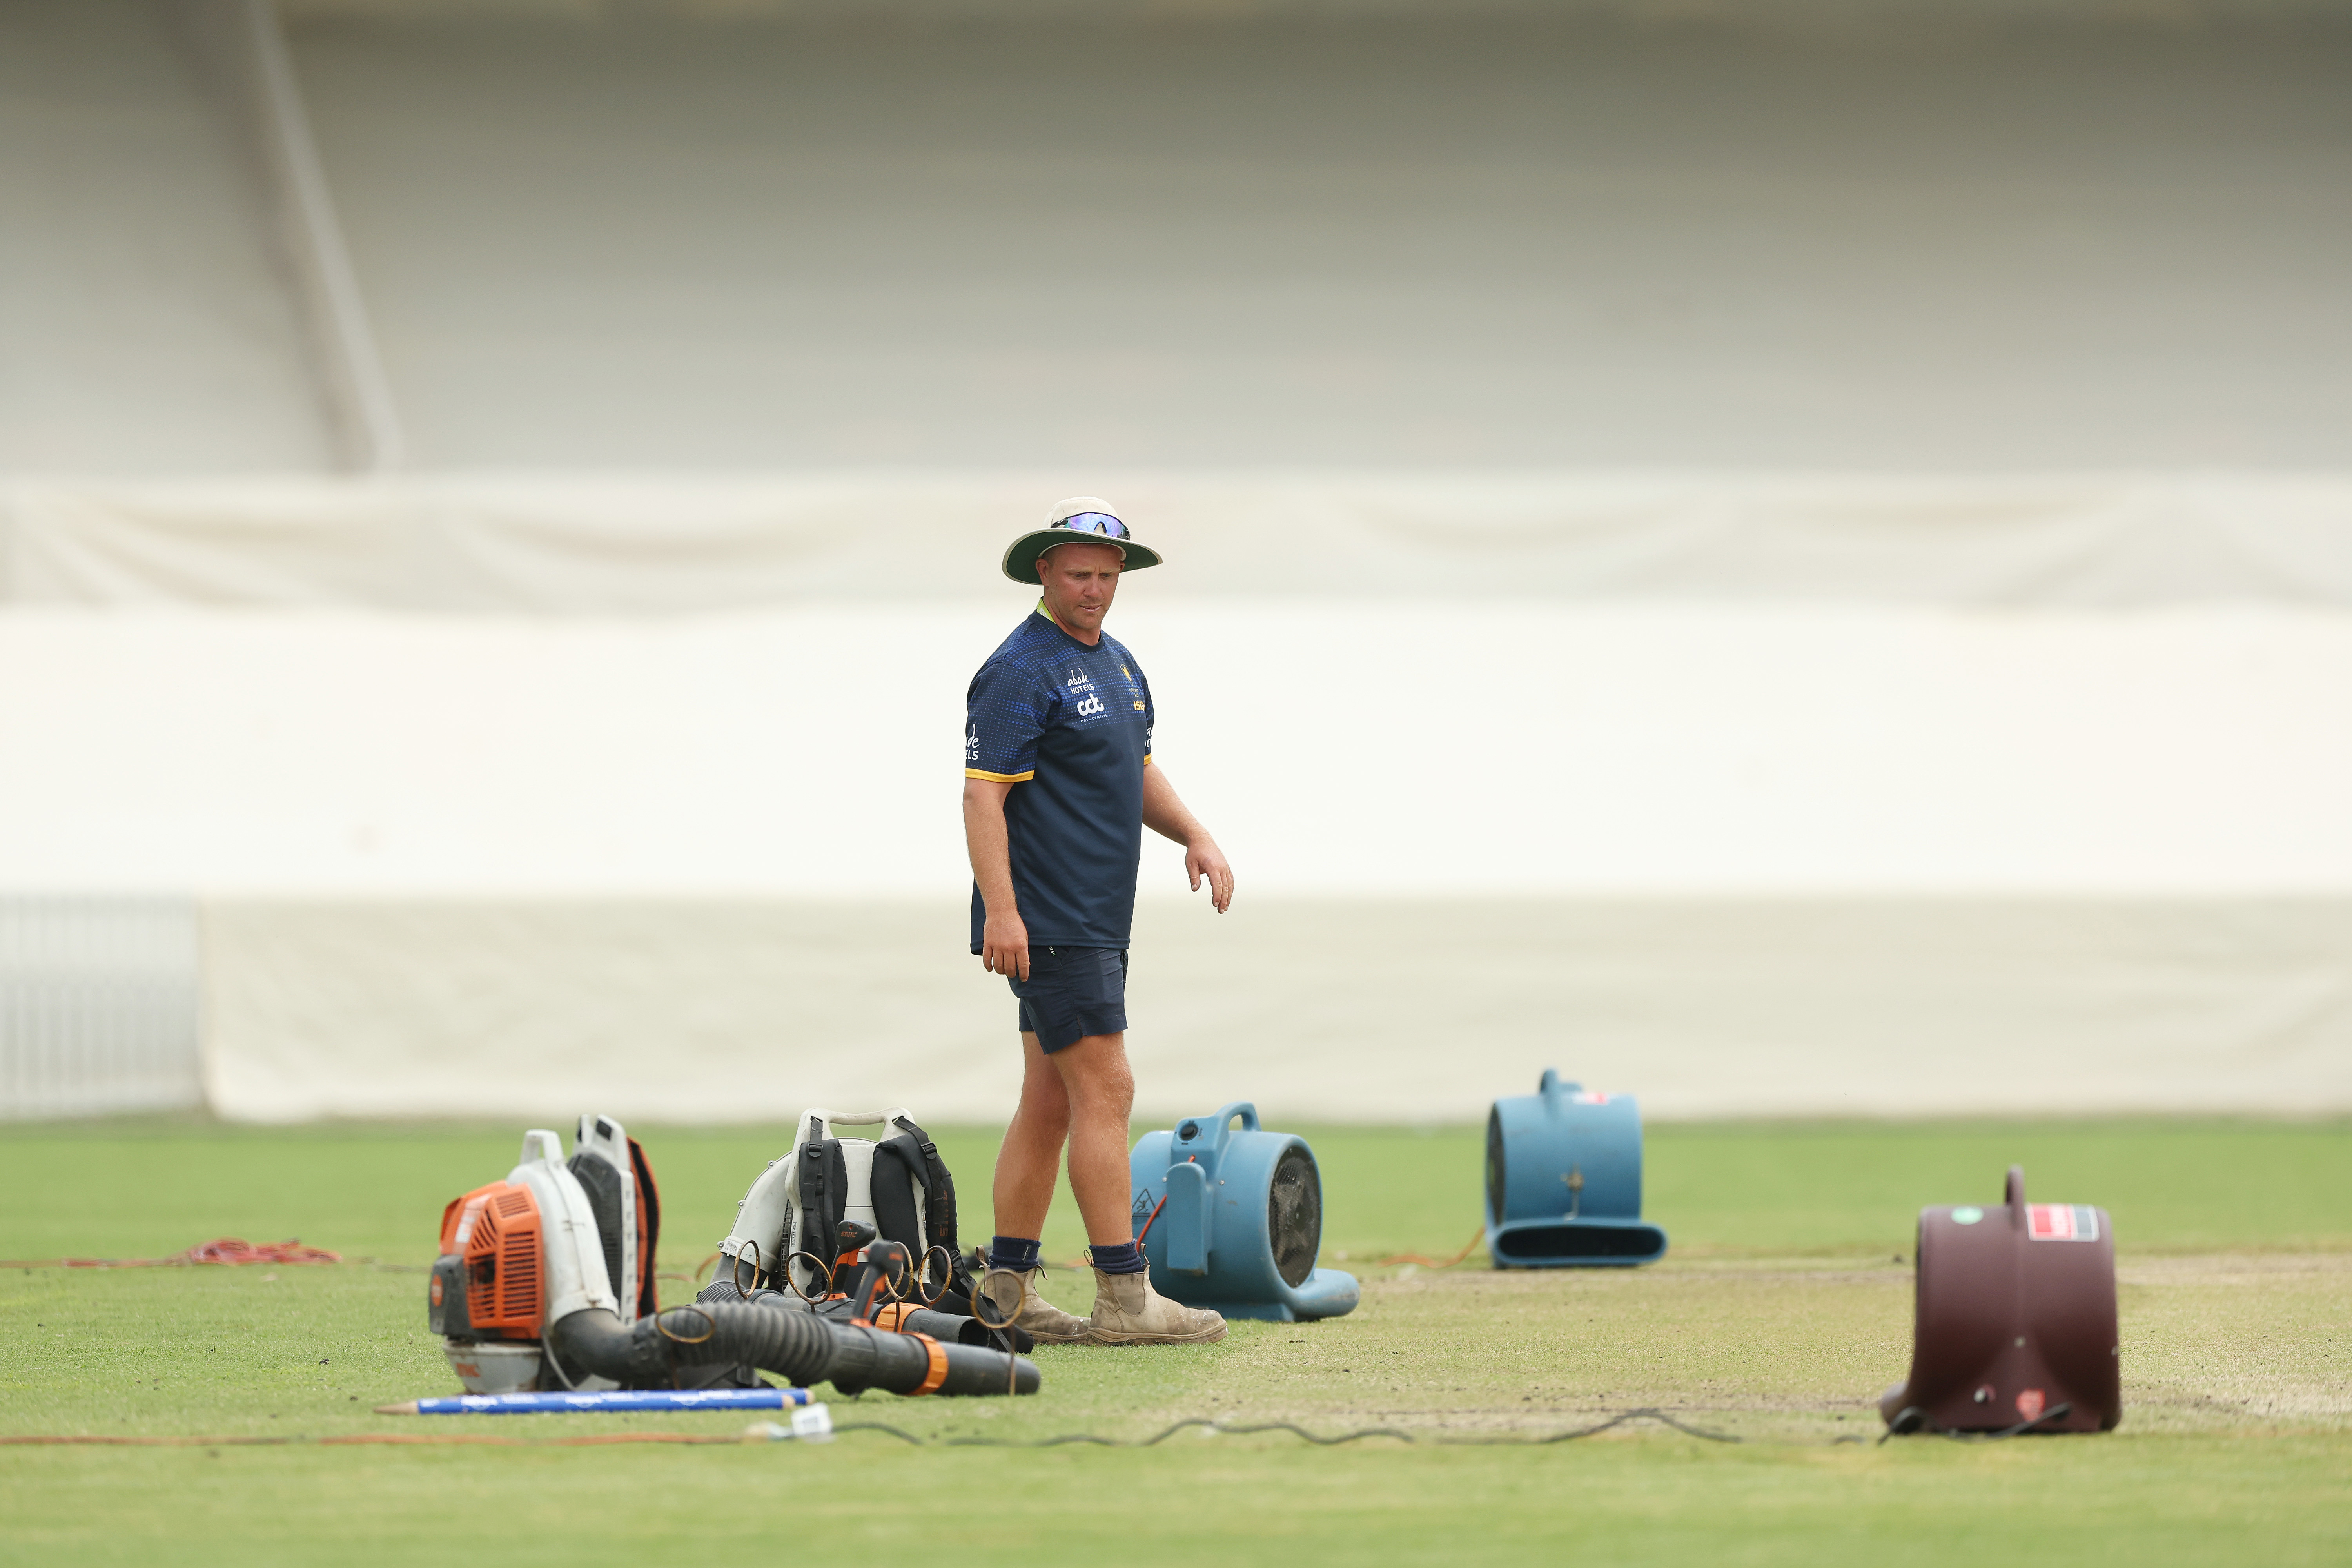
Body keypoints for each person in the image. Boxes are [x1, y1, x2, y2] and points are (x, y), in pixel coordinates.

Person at [963, 497, 1235, 1346]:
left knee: (1049, 1098)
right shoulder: (1020, 668)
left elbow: (1136, 769)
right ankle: (1124, 1295)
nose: (1095, 590)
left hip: (1091, 917)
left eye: (1108, 577)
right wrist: (1002, 910)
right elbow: (982, 796)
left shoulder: (1118, 665)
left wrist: (1194, 830)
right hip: (1051, 916)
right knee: (1107, 1088)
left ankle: (1004, 1293)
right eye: (1079, 573)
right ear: (1043, 570)